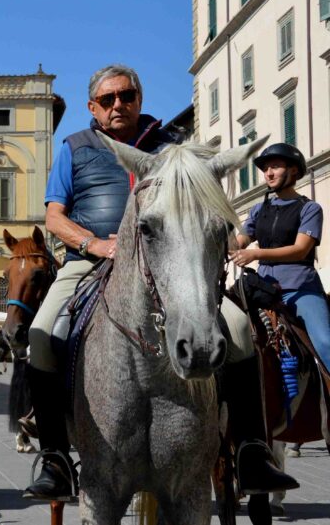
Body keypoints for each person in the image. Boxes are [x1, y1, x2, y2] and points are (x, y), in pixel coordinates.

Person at [24, 64, 297, 500]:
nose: (118, 104)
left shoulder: (173, 145)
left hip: (169, 265)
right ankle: (55, 457)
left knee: (239, 329)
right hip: (90, 262)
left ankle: (251, 450)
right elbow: (54, 217)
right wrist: (95, 244)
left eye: (127, 96)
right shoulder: (74, 148)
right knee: (41, 335)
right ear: (92, 107)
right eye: (108, 99)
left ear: (140, 99)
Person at [232, 143, 327, 371]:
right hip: (261, 289)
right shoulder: (258, 210)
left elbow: (300, 249)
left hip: (299, 288)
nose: (269, 173)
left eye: (275, 166)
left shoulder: (310, 209)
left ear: (293, 170)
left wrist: (256, 253)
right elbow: (239, 243)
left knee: (326, 342)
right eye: (266, 169)